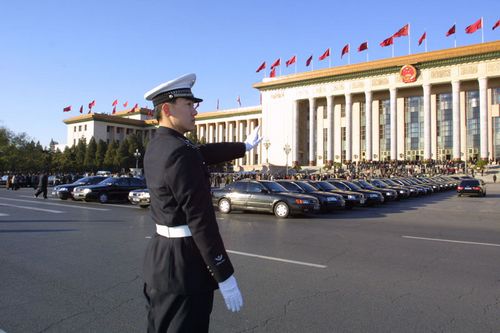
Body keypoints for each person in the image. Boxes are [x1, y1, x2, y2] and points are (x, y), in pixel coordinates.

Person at [142, 73, 262, 332]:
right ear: (167, 108)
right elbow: (201, 222)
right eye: (189, 104)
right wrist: (224, 274)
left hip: (162, 261)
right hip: (185, 269)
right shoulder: (179, 153)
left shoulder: (160, 145)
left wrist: (243, 146)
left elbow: (202, 153)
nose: (195, 111)